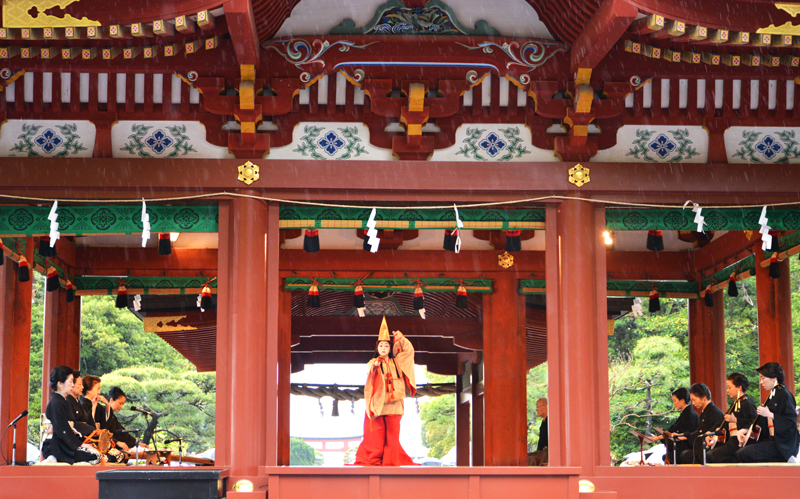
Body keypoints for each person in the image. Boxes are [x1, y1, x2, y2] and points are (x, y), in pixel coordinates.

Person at [354, 317, 419, 466]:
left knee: (392, 436)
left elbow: (408, 352)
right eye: (381, 346)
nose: (383, 348)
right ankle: (374, 460)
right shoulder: (373, 362)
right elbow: (371, 369)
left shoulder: (396, 361)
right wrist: (376, 365)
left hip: (395, 403)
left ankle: (392, 461)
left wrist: (401, 339)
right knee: (376, 436)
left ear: (390, 348)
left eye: (386, 346)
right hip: (379, 404)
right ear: (377, 349)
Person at [735, 362, 800, 463]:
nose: (761, 382)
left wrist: (770, 415)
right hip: (771, 441)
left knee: (744, 453)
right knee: (740, 452)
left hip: (782, 444)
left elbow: (790, 422)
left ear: (774, 378)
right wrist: (744, 429)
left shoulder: (785, 395)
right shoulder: (772, 396)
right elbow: (760, 420)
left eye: (763, 378)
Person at [42, 366, 105, 464]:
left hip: (63, 444)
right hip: (56, 446)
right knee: (95, 456)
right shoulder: (57, 403)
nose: (72, 385)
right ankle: (54, 457)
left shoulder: (61, 401)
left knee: (97, 454)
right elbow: (61, 429)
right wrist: (80, 445)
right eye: (71, 382)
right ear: (60, 384)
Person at [706, 373, 758, 463]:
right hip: (730, 440)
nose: (727, 390)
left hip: (739, 441)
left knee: (713, 455)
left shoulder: (747, 404)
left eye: (730, 387)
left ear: (739, 387)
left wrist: (735, 420)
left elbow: (753, 423)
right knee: (708, 454)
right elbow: (722, 421)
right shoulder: (734, 404)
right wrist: (710, 432)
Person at [679, 383, 724, 464]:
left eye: (694, 399)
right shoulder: (705, 412)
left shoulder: (714, 412)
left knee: (685, 455)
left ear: (703, 398)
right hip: (703, 445)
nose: (692, 403)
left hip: (711, 448)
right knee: (682, 453)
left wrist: (686, 437)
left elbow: (702, 432)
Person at [656, 388, 698, 464]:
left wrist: (661, 436)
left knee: (667, 457)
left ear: (682, 400)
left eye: (675, 401)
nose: (674, 403)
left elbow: (682, 433)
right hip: (679, 447)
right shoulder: (686, 413)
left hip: (684, 448)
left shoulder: (689, 414)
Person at [101, 387, 149, 453]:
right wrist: (117, 442)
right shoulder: (103, 411)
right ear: (111, 400)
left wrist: (137, 443)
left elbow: (123, 433)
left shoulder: (112, 416)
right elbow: (102, 432)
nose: (121, 406)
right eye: (120, 403)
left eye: (123, 404)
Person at [65, 371, 95, 437]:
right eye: (80, 384)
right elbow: (72, 424)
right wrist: (92, 430)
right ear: (71, 385)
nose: (82, 387)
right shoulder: (67, 401)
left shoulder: (77, 401)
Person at [528, 398, 548, 466]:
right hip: (541, 453)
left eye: (537, 406)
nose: (536, 409)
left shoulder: (551, 421)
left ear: (545, 407)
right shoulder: (544, 421)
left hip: (547, 454)